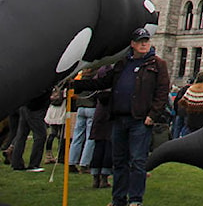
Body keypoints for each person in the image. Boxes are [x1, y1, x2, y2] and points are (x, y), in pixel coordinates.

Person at [72, 27, 171, 206]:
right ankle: (118, 199)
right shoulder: (121, 63)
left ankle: (135, 199)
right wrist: (74, 84)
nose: (144, 44)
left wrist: (153, 114)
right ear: (132, 44)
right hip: (119, 118)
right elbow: (103, 82)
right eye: (140, 41)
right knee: (119, 161)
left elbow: (163, 91)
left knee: (138, 161)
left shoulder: (157, 64)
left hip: (140, 119)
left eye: (146, 41)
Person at [9, 90, 50, 172]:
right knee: (40, 136)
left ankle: (16, 163)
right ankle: (34, 164)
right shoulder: (42, 82)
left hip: (25, 106)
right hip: (34, 108)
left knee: (21, 136)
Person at [69, 68, 98, 172]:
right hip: (91, 107)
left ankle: (71, 161)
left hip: (80, 107)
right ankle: (85, 163)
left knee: (77, 136)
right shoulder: (95, 76)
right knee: (90, 137)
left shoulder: (80, 77)